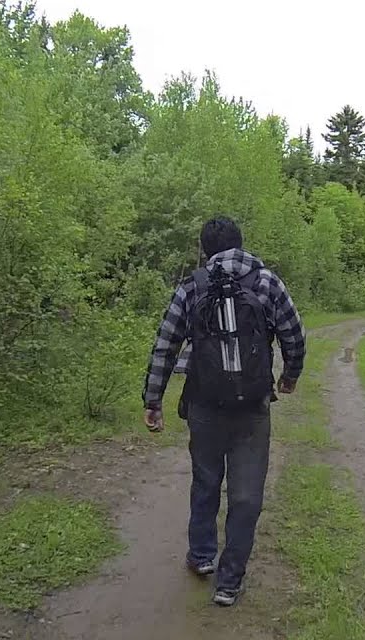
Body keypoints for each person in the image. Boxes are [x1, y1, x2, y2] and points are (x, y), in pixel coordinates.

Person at [141, 216, 306, 607]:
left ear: (204, 250)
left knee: (205, 481)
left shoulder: (192, 286)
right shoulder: (267, 281)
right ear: (241, 244)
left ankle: (201, 557)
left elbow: (166, 344)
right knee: (247, 495)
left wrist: (153, 400)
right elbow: (294, 335)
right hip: (252, 408)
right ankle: (229, 581)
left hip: (204, 405)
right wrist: (289, 377)